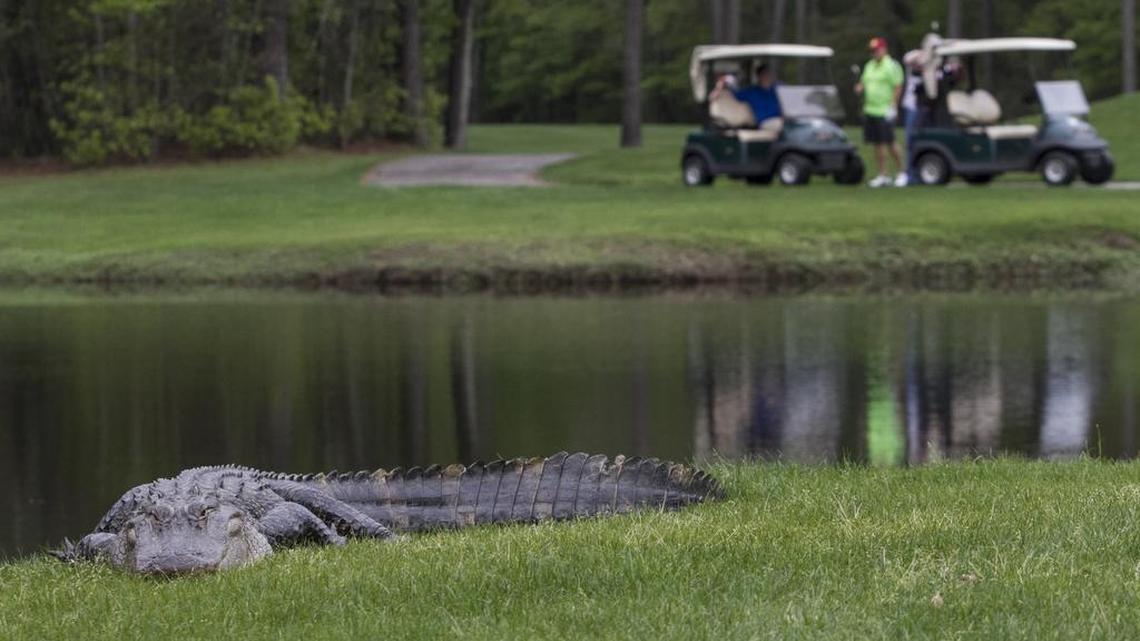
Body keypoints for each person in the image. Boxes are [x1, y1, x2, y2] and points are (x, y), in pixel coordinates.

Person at [855, 37, 906, 187]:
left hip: (885, 110)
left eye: (877, 50)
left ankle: (901, 172)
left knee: (890, 142)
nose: (874, 53)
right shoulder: (869, 66)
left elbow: (898, 86)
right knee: (877, 144)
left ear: (884, 49)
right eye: (872, 51)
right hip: (870, 109)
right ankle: (882, 174)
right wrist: (860, 87)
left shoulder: (891, 66)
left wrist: (893, 105)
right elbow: (864, 81)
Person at [712, 64, 781, 125]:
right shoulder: (751, 92)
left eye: (769, 75)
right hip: (765, 122)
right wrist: (719, 88)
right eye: (764, 74)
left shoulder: (776, 90)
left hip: (781, 120)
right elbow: (733, 93)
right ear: (759, 76)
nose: (767, 77)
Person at [900, 50, 924, 185]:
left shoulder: (932, 69)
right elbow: (907, 58)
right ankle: (910, 174)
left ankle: (919, 172)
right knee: (910, 142)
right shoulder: (912, 67)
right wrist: (925, 54)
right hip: (912, 108)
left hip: (925, 110)